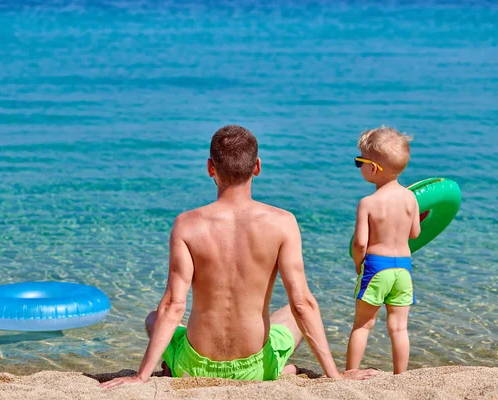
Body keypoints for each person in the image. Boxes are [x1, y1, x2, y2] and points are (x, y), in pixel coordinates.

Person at [102, 125, 376, 388]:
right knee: (293, 315)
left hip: (194, 366)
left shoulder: (186, 225)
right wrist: (335, 376)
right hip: (255, 368)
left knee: (153, 318)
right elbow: (302, 303)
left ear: (211, 168)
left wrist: (141, 377)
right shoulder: (283, 223)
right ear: (257, 167)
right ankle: (280, 369)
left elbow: (173, 305)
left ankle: (174, 367)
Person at [346, 126, 421, 374]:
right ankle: (400, 375)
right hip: (404, 270)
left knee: (362, 326)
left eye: (360, 162)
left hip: (377, 267)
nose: (359, 167)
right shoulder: (411, 198)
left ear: (373, 168)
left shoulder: (368, 203)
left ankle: (351, 372)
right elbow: (415, 234)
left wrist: (358, 264)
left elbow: (360, 244)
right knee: (399, 328)